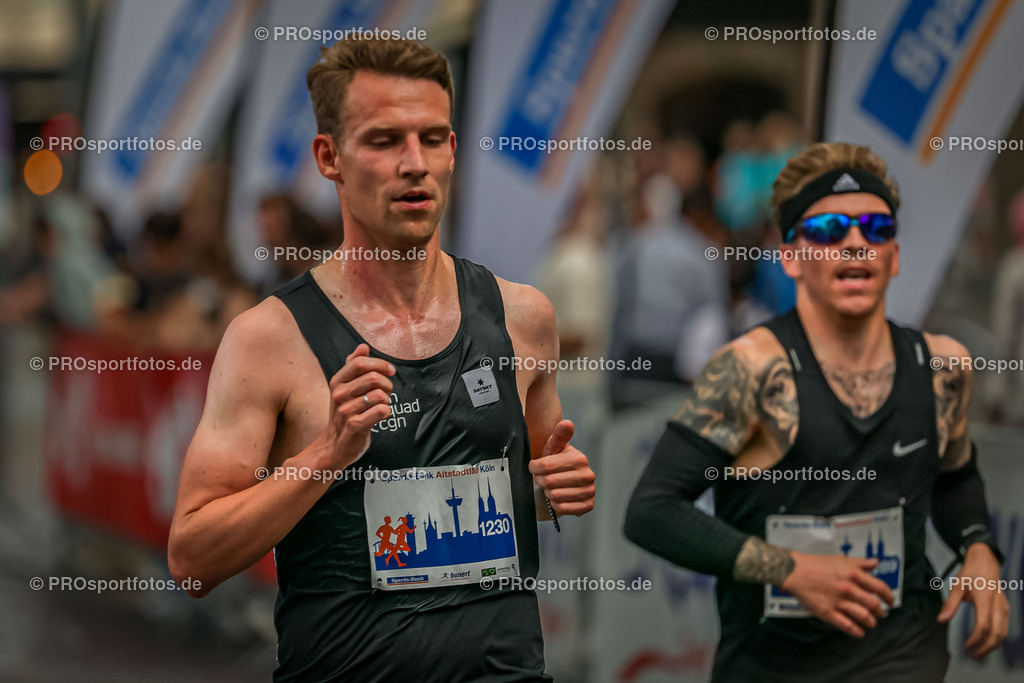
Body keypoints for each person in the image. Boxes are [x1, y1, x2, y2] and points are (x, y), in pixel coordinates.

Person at [167, 38, 596, 682]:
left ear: (455, 149)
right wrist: (325, 456)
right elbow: (192, 561)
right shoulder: (269, 339)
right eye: (384, 140)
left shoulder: (523, 318)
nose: (415, 163)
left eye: (433, 138)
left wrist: (553, 490)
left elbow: (525, 490)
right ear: (329, 157)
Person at [624, 142, 1008, 682]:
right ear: (790, 255)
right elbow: (652, 510)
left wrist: (978, 547)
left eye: (875, 229)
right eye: (829, 231)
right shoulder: (751, 370)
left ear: (894, 254)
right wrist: (791, 569)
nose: (855, 244)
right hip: (774, 666)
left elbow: (954, 475)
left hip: (904, 656)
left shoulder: (943, 365)